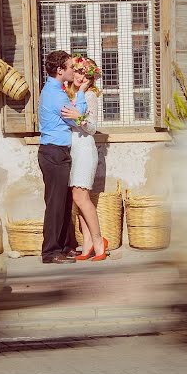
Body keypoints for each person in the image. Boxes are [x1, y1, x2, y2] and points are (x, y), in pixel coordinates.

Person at [37, 50, 88, 264]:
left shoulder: (55, 90)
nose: (73, 70)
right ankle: (50, 252)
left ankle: (67, 246)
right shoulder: (56, 94)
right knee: (56, 204)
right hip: (54, 152)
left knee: (64, 203)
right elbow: (77, 120)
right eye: (69, 67)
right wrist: (82, 93)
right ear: (60, 70)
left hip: (57, 152)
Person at [67, 56, 109, 261]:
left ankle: (99, 241)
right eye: (77, 70)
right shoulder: (67, 94)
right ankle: (87, 243)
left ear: (90, 78)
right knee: (77, 199)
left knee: (81, 198)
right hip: (71, 150)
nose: (79, 75)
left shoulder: (90, 96)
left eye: (84, 73)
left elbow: (91, 128)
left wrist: (78, 117)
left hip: (84, 149)